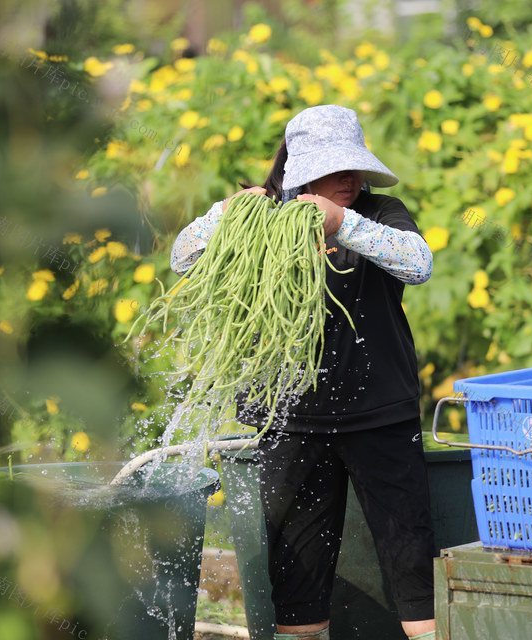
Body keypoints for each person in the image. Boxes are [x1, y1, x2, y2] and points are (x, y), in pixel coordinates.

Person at [169, 105, 437, 640]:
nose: (350, 178)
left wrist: (345, 224)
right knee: (298, 581)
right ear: (300, 171)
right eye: (336, 169)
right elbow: (183, 257)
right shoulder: (258, 220)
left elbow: (418, 263)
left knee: (413, 566)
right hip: (290, 421)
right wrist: (224, 213)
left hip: (379, 416)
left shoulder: (379, 214)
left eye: (354, 167)